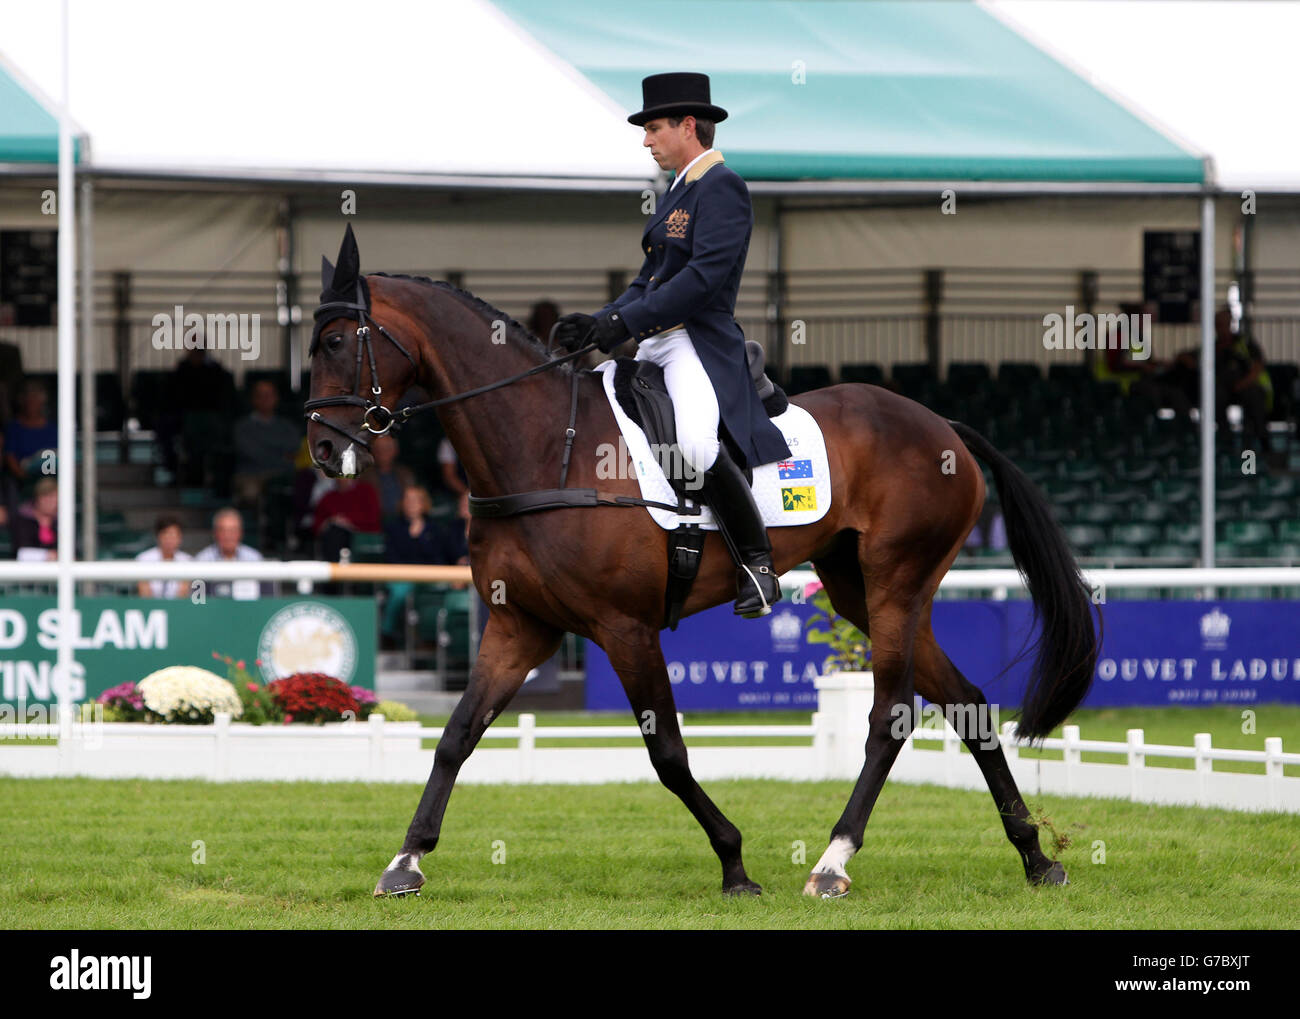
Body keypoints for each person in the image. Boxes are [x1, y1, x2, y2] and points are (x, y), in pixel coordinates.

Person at [552, 72, 791, 617]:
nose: (646, 140)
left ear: (689, 126)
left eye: (654, 128)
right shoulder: (676, 190)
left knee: (697, 447)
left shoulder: (722, 186)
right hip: (655, 341)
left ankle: (756, 565)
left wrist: (624, 325)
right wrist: (601, 321)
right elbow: (651, 279)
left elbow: (700, 281)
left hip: (694, 344)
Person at [380, 484, 467, 644]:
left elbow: (440, 558)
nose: (411, 504)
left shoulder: (435, 529)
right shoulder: (393, 527)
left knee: (448, 591)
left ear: (423, 504)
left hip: (430, 578)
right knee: (399, 591)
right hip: (401, 577)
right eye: (407, 500)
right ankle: (387, 632)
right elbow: (391, 557)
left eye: (415, 500)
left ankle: (435, 637)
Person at [231, 379, 301, 509]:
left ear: (276, 398)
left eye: (269, 395)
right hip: (251, 476)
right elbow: (250, 453)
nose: (265, 399)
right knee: (249, 493)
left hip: (283, 476)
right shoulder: (242, 427)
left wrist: (266, 450)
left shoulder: (288, 427)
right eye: (260, 395)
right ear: (253, 399)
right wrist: (281, 455)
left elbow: (294, 448)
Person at [194, 507, 267, 599]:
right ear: (215, 533)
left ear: (240, 533)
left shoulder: (254, 558)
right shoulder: (202, 559)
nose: (228, 536)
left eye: (232, 530)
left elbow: (265, 596)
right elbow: (197, 600)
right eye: (223, 530)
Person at [312, 474, 380, 562]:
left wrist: (349, 522)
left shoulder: (366, 491)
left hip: (362, 535)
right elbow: (317, 526)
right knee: (335, 533)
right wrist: (331, 521)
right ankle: (335, 570)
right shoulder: (328, 497)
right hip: (335, 536)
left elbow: (373, 519)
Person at [3, 381, 58, 485]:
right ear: (22, 402)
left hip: (51, 482)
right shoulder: (14, 428)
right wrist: (25, 478)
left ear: (42, 403)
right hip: (23, 481)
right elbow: (9, 456)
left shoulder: (53, 429)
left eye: (35, 400)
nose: (32, 404)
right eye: (29, 400)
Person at [135, 515, 192, 598]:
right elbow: (145, 595)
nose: (170, 540)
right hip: (151, 608)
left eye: (174, 535)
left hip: (178, 608)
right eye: (166, 534)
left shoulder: (187, 560)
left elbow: (183, 595)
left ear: (180, 538)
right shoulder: (144, 559)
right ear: (158, 536)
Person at [362, 434, 415, 524]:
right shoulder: (364, 476)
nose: (383, 453)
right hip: (376, 523)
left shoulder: (405, 473)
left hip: (403, 521)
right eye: (378, 449)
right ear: (372, 451)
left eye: (387, 448)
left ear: (395, 451)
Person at [10, 477, 58, 560]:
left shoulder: (62, 521)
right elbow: (22, 553)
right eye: (46, 497)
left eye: (54, 498)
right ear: (37, 498)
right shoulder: (23, 518)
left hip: (57, 570)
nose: (50, 502)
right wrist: (47, 556)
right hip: (26, 570)